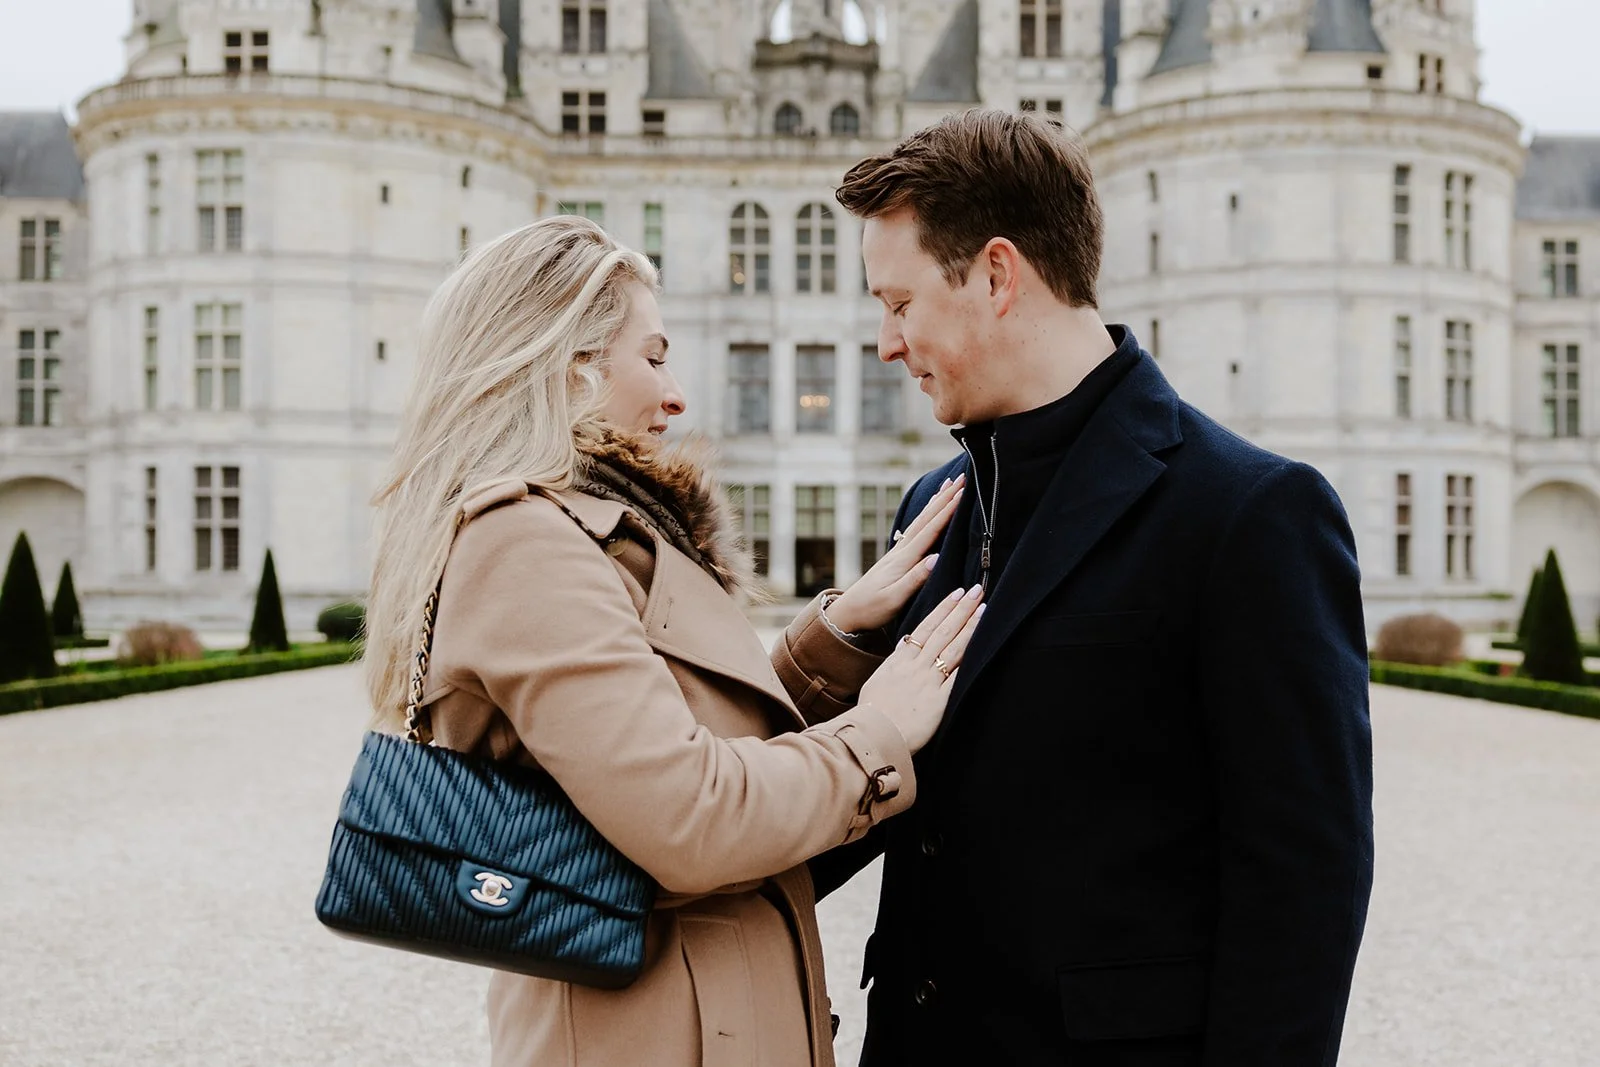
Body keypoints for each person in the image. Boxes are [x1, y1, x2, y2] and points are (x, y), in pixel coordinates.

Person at [809, 109, 1376, 1065]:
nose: (886, 344)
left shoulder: (1251, 512)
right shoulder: (933, 501)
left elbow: (1303, 889)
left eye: (898, 303)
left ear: (996, 275)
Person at [362, 215, 984, 1067]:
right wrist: (877, 732)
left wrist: (832, 638)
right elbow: (690, 816)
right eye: (652, 357)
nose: (676, 394)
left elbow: (663, 745)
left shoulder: (583, 530)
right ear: (572, 365)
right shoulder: (528, 543)